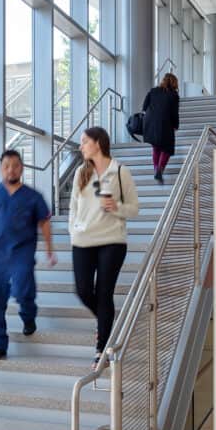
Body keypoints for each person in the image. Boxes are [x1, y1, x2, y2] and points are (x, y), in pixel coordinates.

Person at [0, 150, 56, 361]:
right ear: (1, 169)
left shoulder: (33, 196)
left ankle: (29, 316)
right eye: (7, 166)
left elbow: (44, 222)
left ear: (22, 168)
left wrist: (49, 248)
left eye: (15, 165)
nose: (11, 169)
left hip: (22, 253)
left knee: (23, 292)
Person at [69, 126, 140, 364]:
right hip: (83, 241)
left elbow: (134, 208)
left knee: (104, 293)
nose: (81, 146)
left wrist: (117, 207)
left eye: (84, 141)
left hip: (112, 241)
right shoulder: (81, 172)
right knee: (83, 291)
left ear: (98, 143)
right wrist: (73, 231)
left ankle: (102, 348)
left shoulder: (120, 171)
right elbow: (73, 208)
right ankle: (106, 320)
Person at [141, 72, 181, 184]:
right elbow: (174, 113)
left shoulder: (153, 91)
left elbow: (144, 106)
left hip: (150, 122)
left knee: (156, 147)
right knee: (167, 148)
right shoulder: (174, 95)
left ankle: (155, 169)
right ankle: (160, 169)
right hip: (165, 123)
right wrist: (176, 125)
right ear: (174, 83)